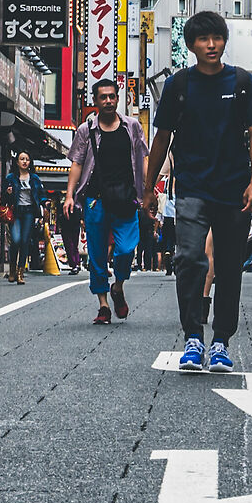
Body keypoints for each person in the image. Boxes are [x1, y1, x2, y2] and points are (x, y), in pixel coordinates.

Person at [146, 10, 252, 373]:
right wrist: (148, 188)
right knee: (189, 259)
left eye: (217, 38)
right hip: (191, 187)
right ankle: (193, 337)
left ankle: (220, 342)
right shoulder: (179, 85)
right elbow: (162, 137)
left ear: (224, 41)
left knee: (230, 267)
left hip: (234, 189)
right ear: (191, 45)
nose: (211, 45)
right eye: (203, 39)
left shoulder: (243, 82)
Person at [66, 78, 149, 324]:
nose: (109, 101)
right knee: (97, 254)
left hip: (126, 198)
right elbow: (77, 163)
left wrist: (148, 191)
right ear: (95, 100)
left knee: (126, 249)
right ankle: (103, 305)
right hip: (96, 201)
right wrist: (70, 195)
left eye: (112, 96)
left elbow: (142, 159)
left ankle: (118, 286)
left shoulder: (132, 126)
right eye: (103, 97)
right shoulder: (86, 130)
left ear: (118, 98)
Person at [1, 151, 43, 284]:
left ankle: (20, 273)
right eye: (22, 159)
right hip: (16, 212)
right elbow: (3, 198)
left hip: (29, 212)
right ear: (17, 162)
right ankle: (12, 269)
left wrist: (45, 203)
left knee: (25, 241)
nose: (25, 161)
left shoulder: (34, 178)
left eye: (27, 159)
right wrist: (8, 193)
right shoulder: (10, 178)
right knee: (16, 240)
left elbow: (41, 195)